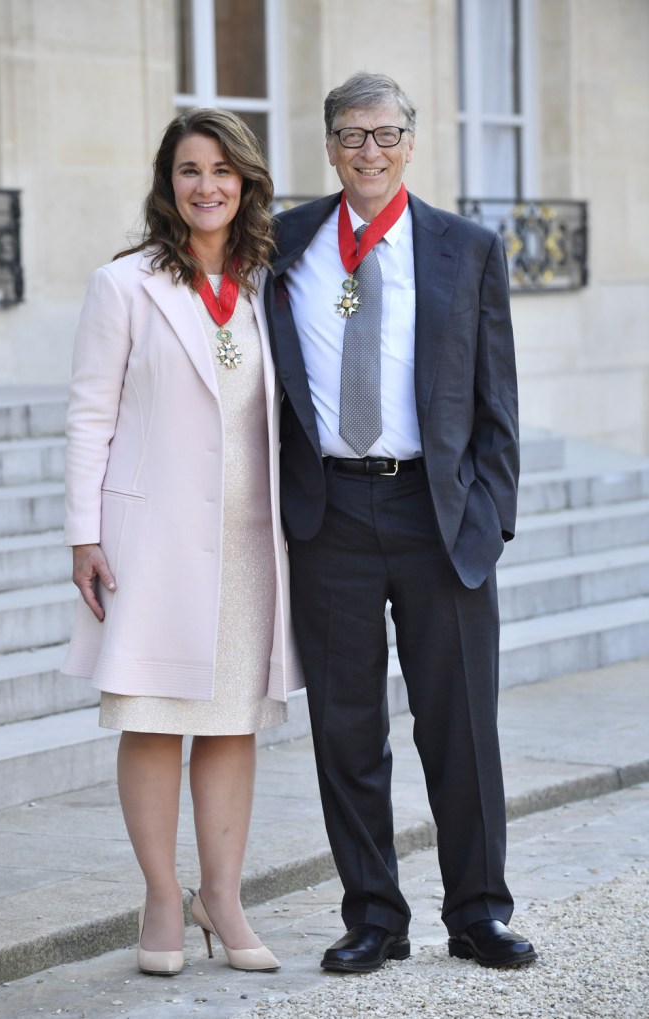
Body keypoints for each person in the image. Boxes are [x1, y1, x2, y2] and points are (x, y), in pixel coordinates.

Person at [265, 72, 536, 973]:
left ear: (410, 143)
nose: (368, 151)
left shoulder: (466, 247)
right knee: (347, 728)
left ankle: (478, 911)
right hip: (329, 511)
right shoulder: (285, 244)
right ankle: (374, 914)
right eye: (351, 134)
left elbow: (497, 397)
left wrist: (489, 515)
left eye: (384, 134)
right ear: (329, 144)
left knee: (460, 724)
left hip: (437, 513)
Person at [61, 108, 302, 977]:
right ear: (170, 185)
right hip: (151, 538)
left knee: (233, 723)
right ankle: (164, 896)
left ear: (247, 183)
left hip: (248, 541)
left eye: (223, 171)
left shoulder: (270, 280)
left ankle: (223, 895)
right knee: (156, 720)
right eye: (190, 170)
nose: (208, 186)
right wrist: (82, 533)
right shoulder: (123, 284)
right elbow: (90, 411)